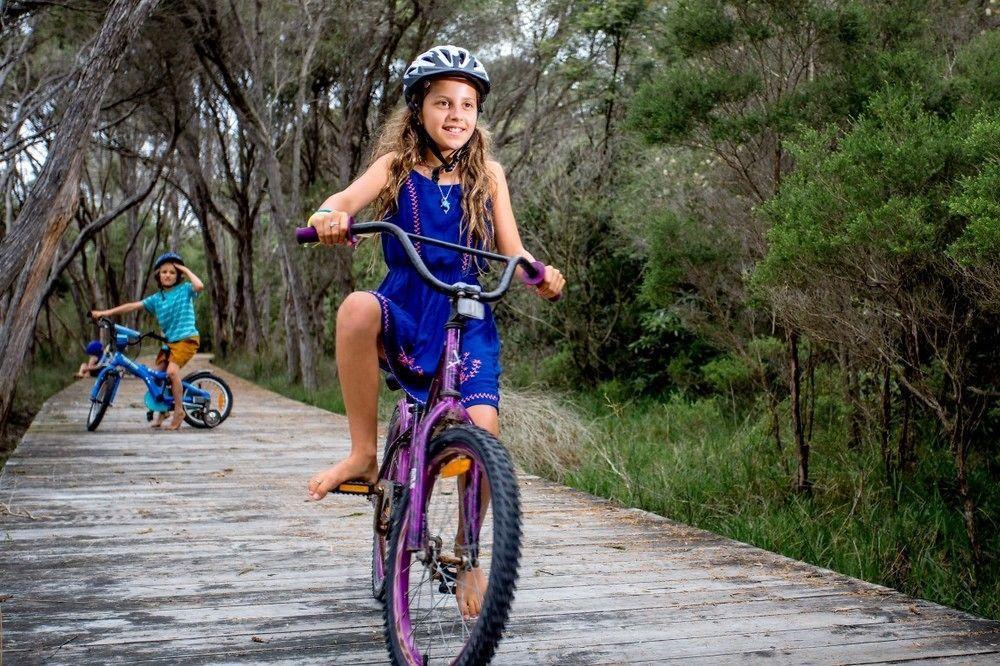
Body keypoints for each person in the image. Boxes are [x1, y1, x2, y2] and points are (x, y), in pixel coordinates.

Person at [305, 45, 566, 616]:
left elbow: (512, 249)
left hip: (468, 310)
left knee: (484, 433)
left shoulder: (488, 174)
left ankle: (470, 557)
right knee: (353, 308)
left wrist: (538, 274)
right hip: (406, 304)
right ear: (418, 108)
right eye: (443, 101)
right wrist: (331, 215)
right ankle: (362, 454)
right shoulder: (396, 164)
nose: (456, 113)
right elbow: (344, 199)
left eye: (467, 104)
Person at [90, 252, 204, 430]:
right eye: (164, 272)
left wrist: (183, 268)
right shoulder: (156, 298)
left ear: (178, 275)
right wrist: (105, 313)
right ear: (158, 275)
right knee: (157, 377)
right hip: (169, 342)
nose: (168, 275)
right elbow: (132, 306)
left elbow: (199, 285)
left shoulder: (185, 289)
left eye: (172, 272)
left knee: (172, 373)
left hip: (186, 339)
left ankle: (179, 411)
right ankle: (162, 412)